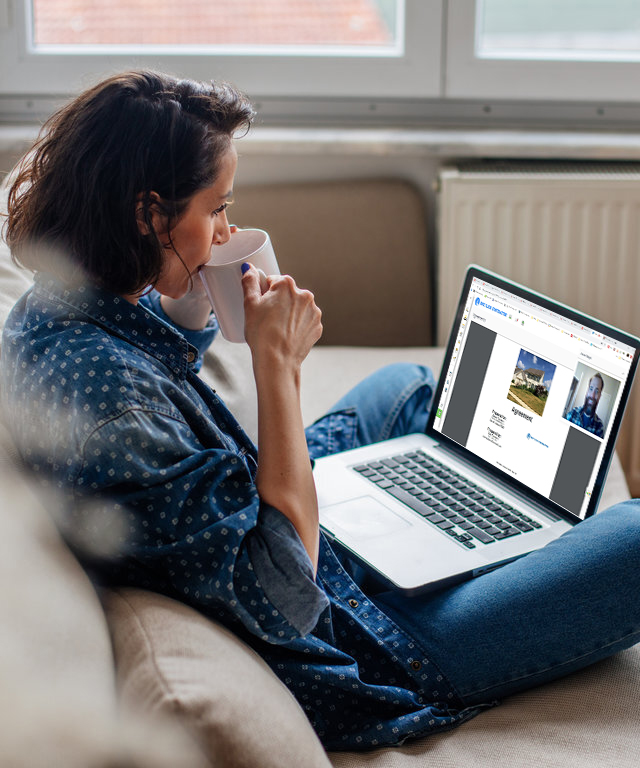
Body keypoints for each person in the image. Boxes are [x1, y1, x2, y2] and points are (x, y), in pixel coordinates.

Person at [1, 70, 639, 752]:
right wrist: (278, 365)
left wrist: (192, 287)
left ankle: (485, 520)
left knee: (407, 387)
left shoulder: (63, 308)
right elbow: (289, 595)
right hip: (369, 637)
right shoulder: (116, 412)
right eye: (215, 210)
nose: (228, 229)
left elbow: (157, 358)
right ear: (149, 215)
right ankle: (493, 541)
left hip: (284, 527)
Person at [566, 373, 606, 437]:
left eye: (596, 391)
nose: (592, 396)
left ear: (599, 396)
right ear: (587, 391)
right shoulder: (572, 414)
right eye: (591, 389)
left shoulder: (599, 427)